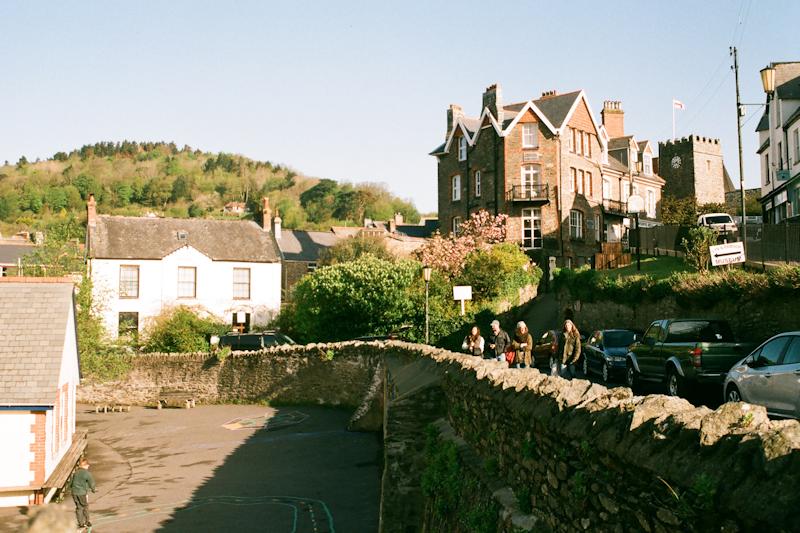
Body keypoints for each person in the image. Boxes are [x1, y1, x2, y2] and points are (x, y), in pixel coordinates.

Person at [71, 458, 96, 531]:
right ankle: (87, 522)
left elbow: (71, 483)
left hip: (74, 492)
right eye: (88, 465)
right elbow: (92, 482)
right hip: (82, 493)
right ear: (84, 465)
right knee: (85, 506)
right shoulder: (86, 473)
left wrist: (72, 489)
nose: (88, 466)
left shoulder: (76, 472)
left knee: (79, 507)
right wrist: (93, 489)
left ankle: (80, 523)